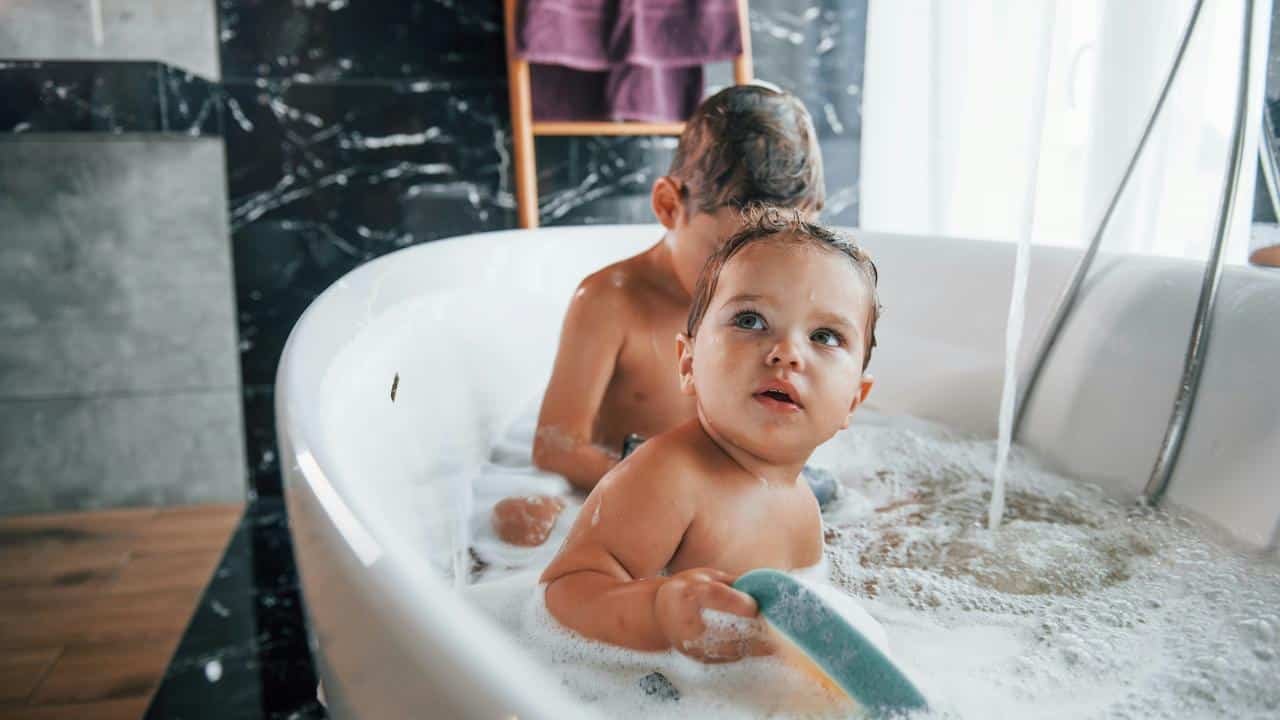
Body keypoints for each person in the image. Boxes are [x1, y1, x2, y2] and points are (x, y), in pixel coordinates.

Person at [491, 85, 826, 548]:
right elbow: (555, 446)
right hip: (635, 483)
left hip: (738, 489)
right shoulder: (611, 301)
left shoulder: (776, 309)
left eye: (770, 258)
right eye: (725, 253)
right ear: (669, 206)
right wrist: (671, 490)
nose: (746, 282)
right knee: (521, 522)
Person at [539, 209, 880, 662]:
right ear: (688, 363)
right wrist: (658, 612)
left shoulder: (803, 509)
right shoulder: (669, 476)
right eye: (751, 321)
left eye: (825, 336)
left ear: (854, 402)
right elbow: (564, 592)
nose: (786, 353)